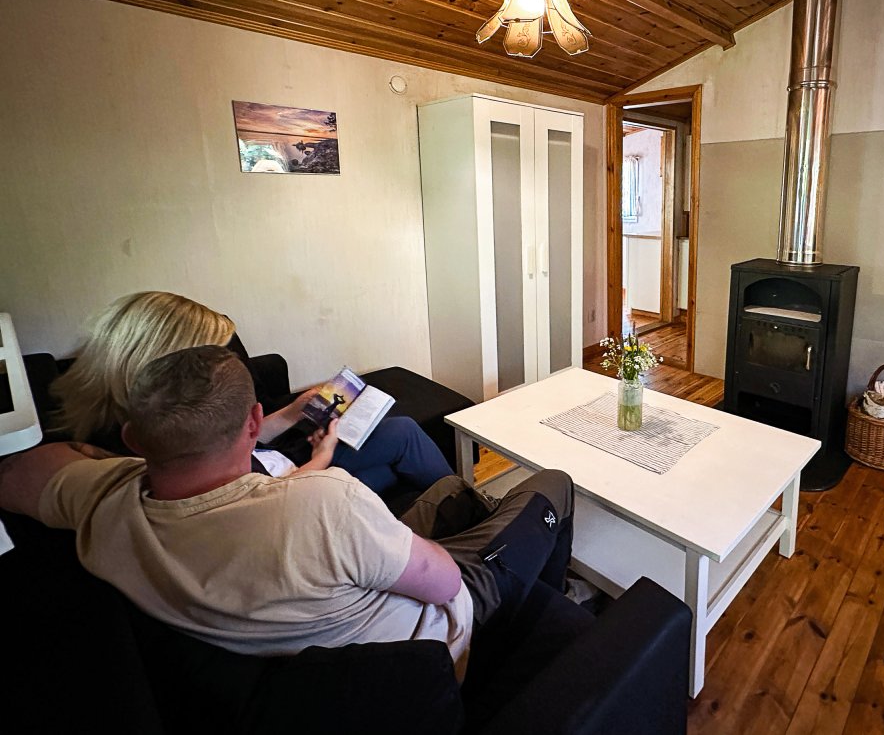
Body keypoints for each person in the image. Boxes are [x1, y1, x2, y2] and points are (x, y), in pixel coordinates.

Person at [0, 344, 574, 680]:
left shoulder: (103, 500)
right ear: (253, 422)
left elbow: (20, 470)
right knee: (553, 484)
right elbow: (446, 582)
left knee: (449, 489)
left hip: (327, 606)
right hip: (434, 644)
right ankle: (540, 609)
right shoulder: (324, 502)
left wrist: (102, 462)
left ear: (130, 436)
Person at [50, 291, 453, 496]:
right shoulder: (155, 448)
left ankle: (457, 506)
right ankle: (463, 512)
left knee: (401, 435)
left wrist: (294, 411)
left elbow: (238, 442)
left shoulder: (169, 415)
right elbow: (259, 504)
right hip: (291, 486)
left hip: (281, 464)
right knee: (397, 459)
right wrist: (323, 459)